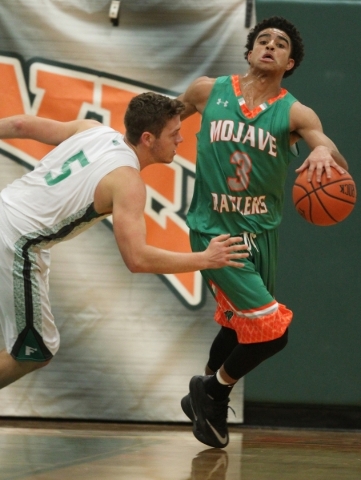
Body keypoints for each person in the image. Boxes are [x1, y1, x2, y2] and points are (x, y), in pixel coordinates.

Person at [0, 92, 250, 390]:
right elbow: (137, 259)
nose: (180, 140)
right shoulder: (128, 181)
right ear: (148, 138)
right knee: (34, 351)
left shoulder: (93, 129)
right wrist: (205, 259)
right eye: (174, 133)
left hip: (4, 208)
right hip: (17, 242)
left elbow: (18, 124)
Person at [178, 16, 348, 448]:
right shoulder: (206, 91)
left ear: (290, 63)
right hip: (216, 233)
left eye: (281, 44)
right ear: (250, 51)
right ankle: (214, 391)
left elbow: (332, 154)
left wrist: (325, 155)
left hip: (262, 234)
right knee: (273, 330)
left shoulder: (295, 112)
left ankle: (202, 394)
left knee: (242, 328)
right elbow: (166, 122)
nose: (270, 45)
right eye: (263, 40)